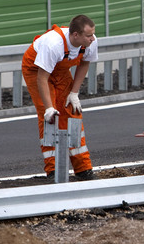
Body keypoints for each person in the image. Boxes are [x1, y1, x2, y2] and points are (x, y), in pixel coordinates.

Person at [22, 14, 99, 181]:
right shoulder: (53, 44)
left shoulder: (89, 42)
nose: (92, 38)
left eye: (93, 34)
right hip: (36, 70)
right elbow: (42, 77)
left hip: (60, 71)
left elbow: (85, 63)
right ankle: (53, 170)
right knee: (51, 117)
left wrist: (74, 93)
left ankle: (83, 168)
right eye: (88, 35)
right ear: (76, 35)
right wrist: (49, 108)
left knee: (72, 111)